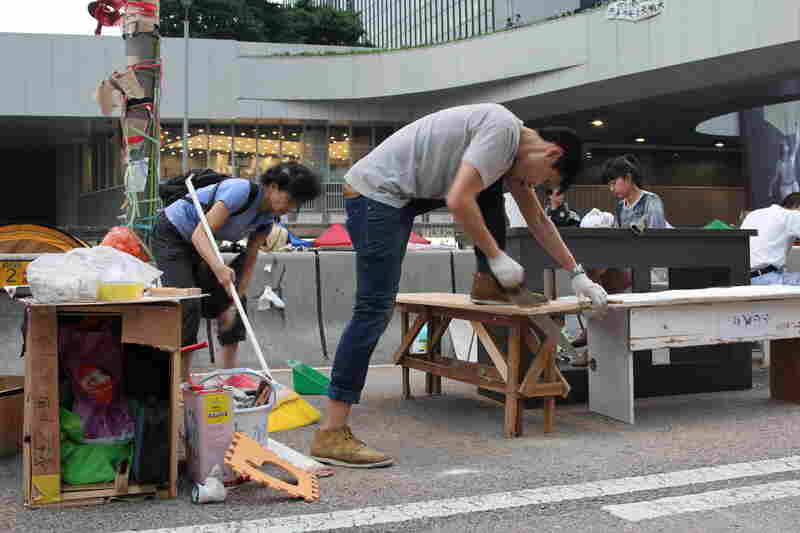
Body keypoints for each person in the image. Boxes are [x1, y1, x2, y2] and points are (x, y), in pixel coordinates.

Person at [309, 103, 608, 468]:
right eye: (541, 180)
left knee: (490, 189)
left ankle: (487, 284)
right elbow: (457, 200)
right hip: (377, 195)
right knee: (373, 308)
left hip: (401, 194)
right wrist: (497, 255)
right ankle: (332, 432)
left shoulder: (509, 152)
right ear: (552, 153)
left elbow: (539, 220)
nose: (533, 186)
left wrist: (577, 273)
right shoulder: (501, 132)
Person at [151, 162, 321, 388]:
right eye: (289, 199)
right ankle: (180, 381)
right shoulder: (239, 191)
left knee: (234, 302)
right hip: (172, 234)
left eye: (295, 205)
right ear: (271, 187)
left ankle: (228, 375)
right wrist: (219, 268)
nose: (289, 208)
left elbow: (250, 261)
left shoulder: (266, 221)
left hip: (200, 245)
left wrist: (235, 298)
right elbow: (200, 235)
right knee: (188, 304)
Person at [571, 154, 671, 356]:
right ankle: (596, 331)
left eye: (614, 183)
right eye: (609, 185)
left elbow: (656, 237)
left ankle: (594, 330)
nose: (612, 189)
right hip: (624, 262)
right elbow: (616, 238)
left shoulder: (651, 201)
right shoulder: (620, 207)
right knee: (589, 268)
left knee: (595, 272)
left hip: (647, 264)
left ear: (627, 177)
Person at [741, 192, 800, 285]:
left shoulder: (754, 214)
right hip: (767, 278)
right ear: (797, 206)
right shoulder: (792, 215)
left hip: (744, 278)